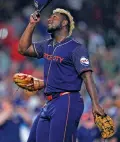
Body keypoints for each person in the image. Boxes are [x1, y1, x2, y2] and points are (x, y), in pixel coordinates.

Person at [18, 8, 105, 142]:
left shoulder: (76, 48)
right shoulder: (47, 45)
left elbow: (87, 76)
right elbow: (23, 49)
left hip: (67, 100)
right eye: (50, 17)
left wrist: (95, 103)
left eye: (54, 17)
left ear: (64, 23)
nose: (49, 19)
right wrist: (31, 24)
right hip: (50, 102)